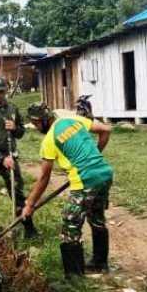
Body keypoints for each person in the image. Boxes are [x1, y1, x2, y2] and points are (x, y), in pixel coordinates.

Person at [23, 103, 114, 278]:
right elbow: (106, 130)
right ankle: (100, 263)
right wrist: (95, 154)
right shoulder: (72, 119)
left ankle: (74, 277)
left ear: (39, 121)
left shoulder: (49, 140)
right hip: (104, 173)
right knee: (97, 218)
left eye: (35, 124)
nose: (35, 128)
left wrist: (29, 204)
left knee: (70, 227)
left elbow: (44, 178)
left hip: (85, 180)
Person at [0, 76, 38, 238]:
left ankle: (29, 229)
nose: (0, 95)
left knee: (18, 193)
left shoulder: (13, 109)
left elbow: (21, 133)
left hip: (11, 157)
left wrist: (15, 127)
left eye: (2, 92)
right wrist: (1, 159)